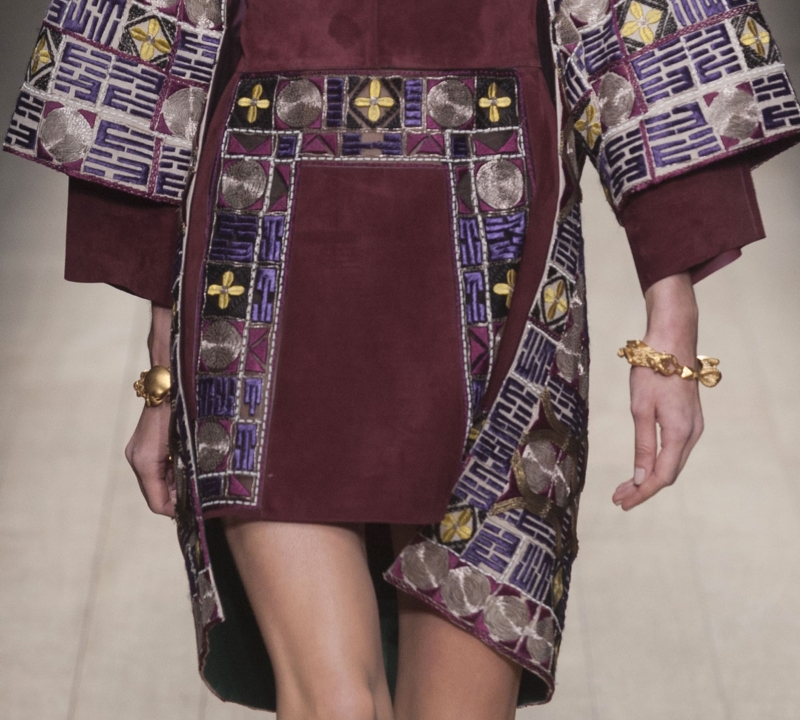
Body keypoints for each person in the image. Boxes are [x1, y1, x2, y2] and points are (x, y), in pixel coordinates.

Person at [5, 0, 799, 717]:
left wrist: (671, 323)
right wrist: (163, 369)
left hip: (502, 267)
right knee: (333, 706)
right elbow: (163, 24)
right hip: (263, 253)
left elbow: (636, 17)